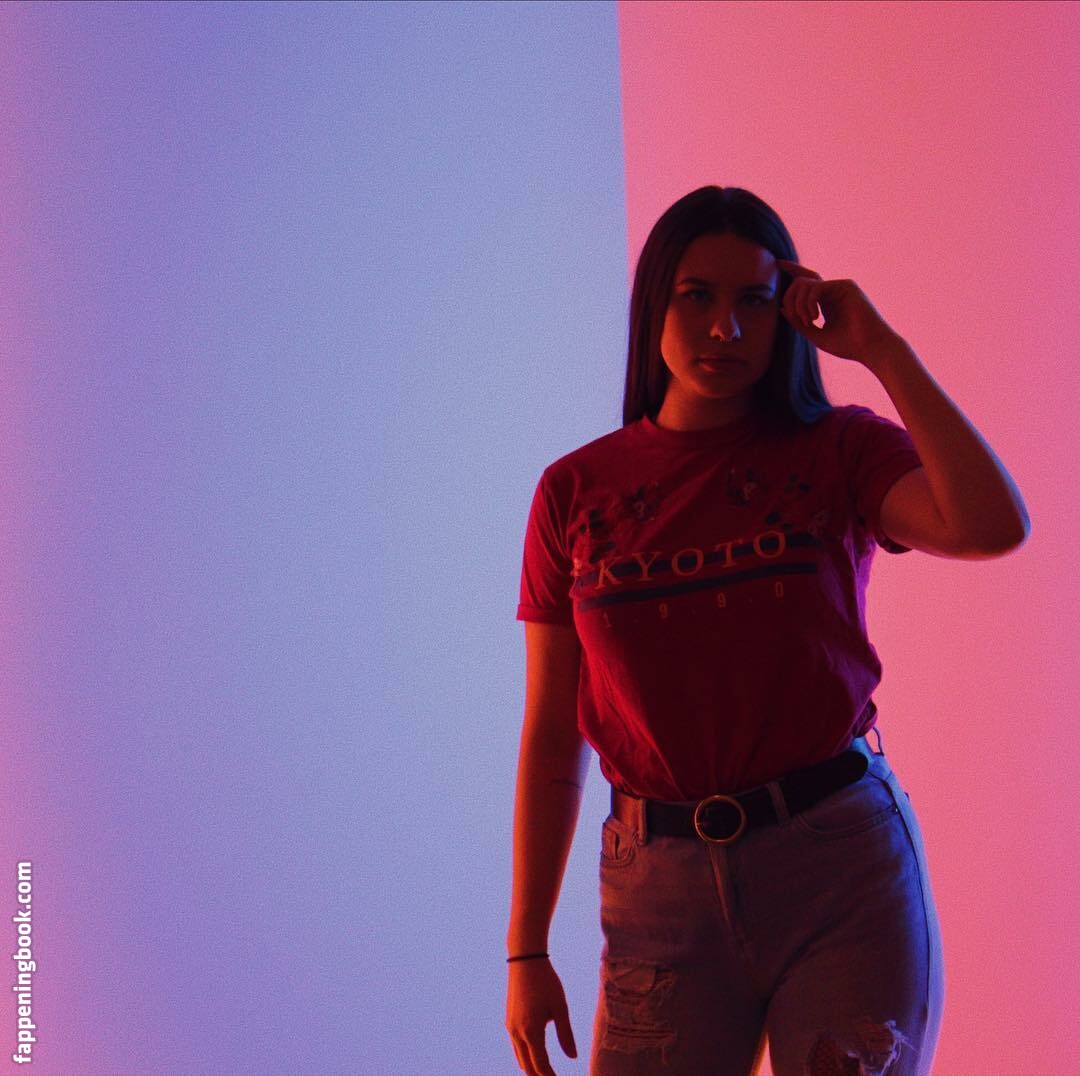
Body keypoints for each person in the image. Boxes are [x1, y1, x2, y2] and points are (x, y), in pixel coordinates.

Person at [504, 186, 1029, 1076]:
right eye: (697, 296)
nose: (726, 328)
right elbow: (556, 732)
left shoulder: (838, 451)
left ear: (787, 313)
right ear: (654, 303)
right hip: (657, 890)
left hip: (839, 871)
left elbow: (990, 526)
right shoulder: (575, 492)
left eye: (754, 300)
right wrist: (526, 949)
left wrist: (882, 350)